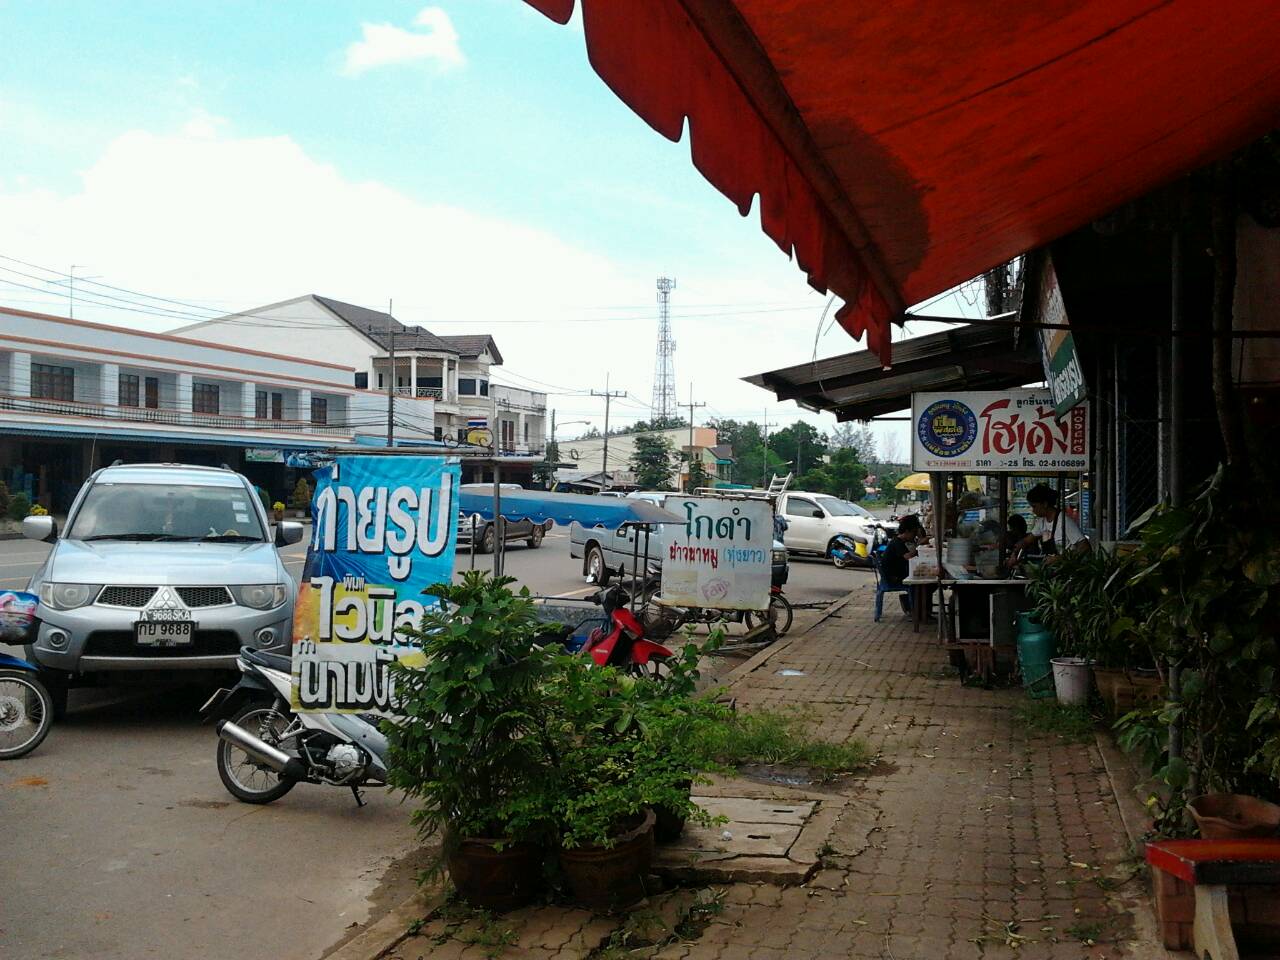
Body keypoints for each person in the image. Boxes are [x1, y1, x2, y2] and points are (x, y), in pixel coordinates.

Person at [1013, 484, 1089, 560]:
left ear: (1045, 504)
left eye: (1034, 506)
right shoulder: (1041, 522)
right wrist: (1014, 555)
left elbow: (1085, 547)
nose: (1033, 510)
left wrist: (1059, 558)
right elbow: (1026, 541)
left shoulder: (1064, 521)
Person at [882, 515, 923, 614]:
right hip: (893, 577)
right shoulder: (897, 542)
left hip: (900, 573)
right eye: (914, 533)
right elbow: (908, 557)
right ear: (907, 531)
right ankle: (915, 608)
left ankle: (920, 608)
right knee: (921, 583)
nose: (914, 536)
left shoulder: (903, 541)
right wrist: (919, 546)